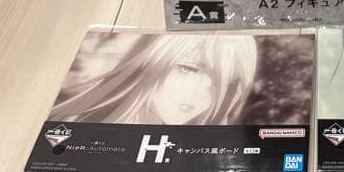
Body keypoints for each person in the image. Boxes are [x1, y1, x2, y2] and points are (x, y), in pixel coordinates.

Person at [52, 31, 258, 125]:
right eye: (187, 69)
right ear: (150, 61)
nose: (202, 93)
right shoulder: (76, 123)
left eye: (224, 83)